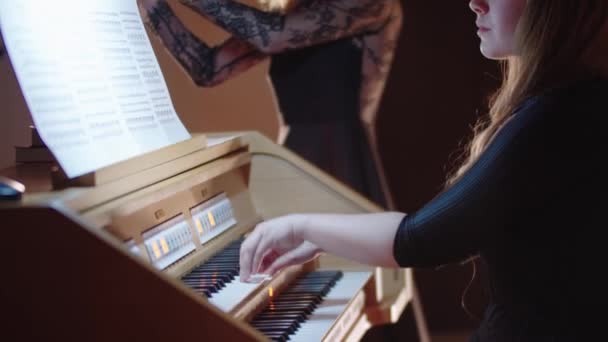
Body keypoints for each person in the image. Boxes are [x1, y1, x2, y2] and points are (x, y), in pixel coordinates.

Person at [238, 0, 608, 341]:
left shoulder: (554, 119)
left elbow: (420, 240)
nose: (475, 2)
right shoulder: (581, 101)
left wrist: (299, 227)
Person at [138, 0, 402, 209]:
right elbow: (207, 69)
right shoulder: (298, 12)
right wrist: (150, 5)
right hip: (291, 160)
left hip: (344, 163)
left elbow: (270, 35)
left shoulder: (372, 4)